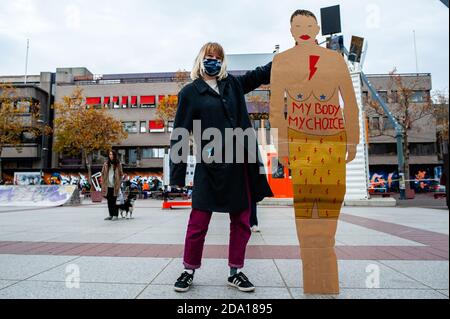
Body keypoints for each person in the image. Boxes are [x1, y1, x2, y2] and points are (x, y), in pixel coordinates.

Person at [170, 42, 273, 293]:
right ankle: (188, 270)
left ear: (223, 61)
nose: (213, 60)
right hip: (210, 166)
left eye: (218, 57)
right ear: (200, 60)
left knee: (241, 220)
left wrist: (290, 57)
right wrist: (178, 175)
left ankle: (235, 272)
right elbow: (181, 132)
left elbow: (260, 74)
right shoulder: (190, 93)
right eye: (209, 57)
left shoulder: (233, 85)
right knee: (198, 221)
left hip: (238, 163)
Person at [270, 10, 360, 294]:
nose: (304, 29)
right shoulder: (281, 61)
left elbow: (351, 102)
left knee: (330, 210)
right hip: (301, 142)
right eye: (298, 25)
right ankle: (313, 278)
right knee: (307, 212)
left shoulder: (335, 60)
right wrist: (282, 143)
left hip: (333, 141)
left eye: (309, 25)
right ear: (291, 30)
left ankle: (327, 280)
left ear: (318, 28)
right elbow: (276, 108)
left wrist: (353, 140)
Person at [101, 150, 124, 221]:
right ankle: (110, 215)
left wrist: (119, 183)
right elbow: (102, 173)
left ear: (115, 155)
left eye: (112, 154)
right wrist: (103, 182)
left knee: (114, 201)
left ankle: (115, 215)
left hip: (115, 186)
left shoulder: (118, 164)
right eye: (110, 154)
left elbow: (121, 174)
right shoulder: (105, 164)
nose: (111, 156)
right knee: (109, 201)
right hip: (107, 186)